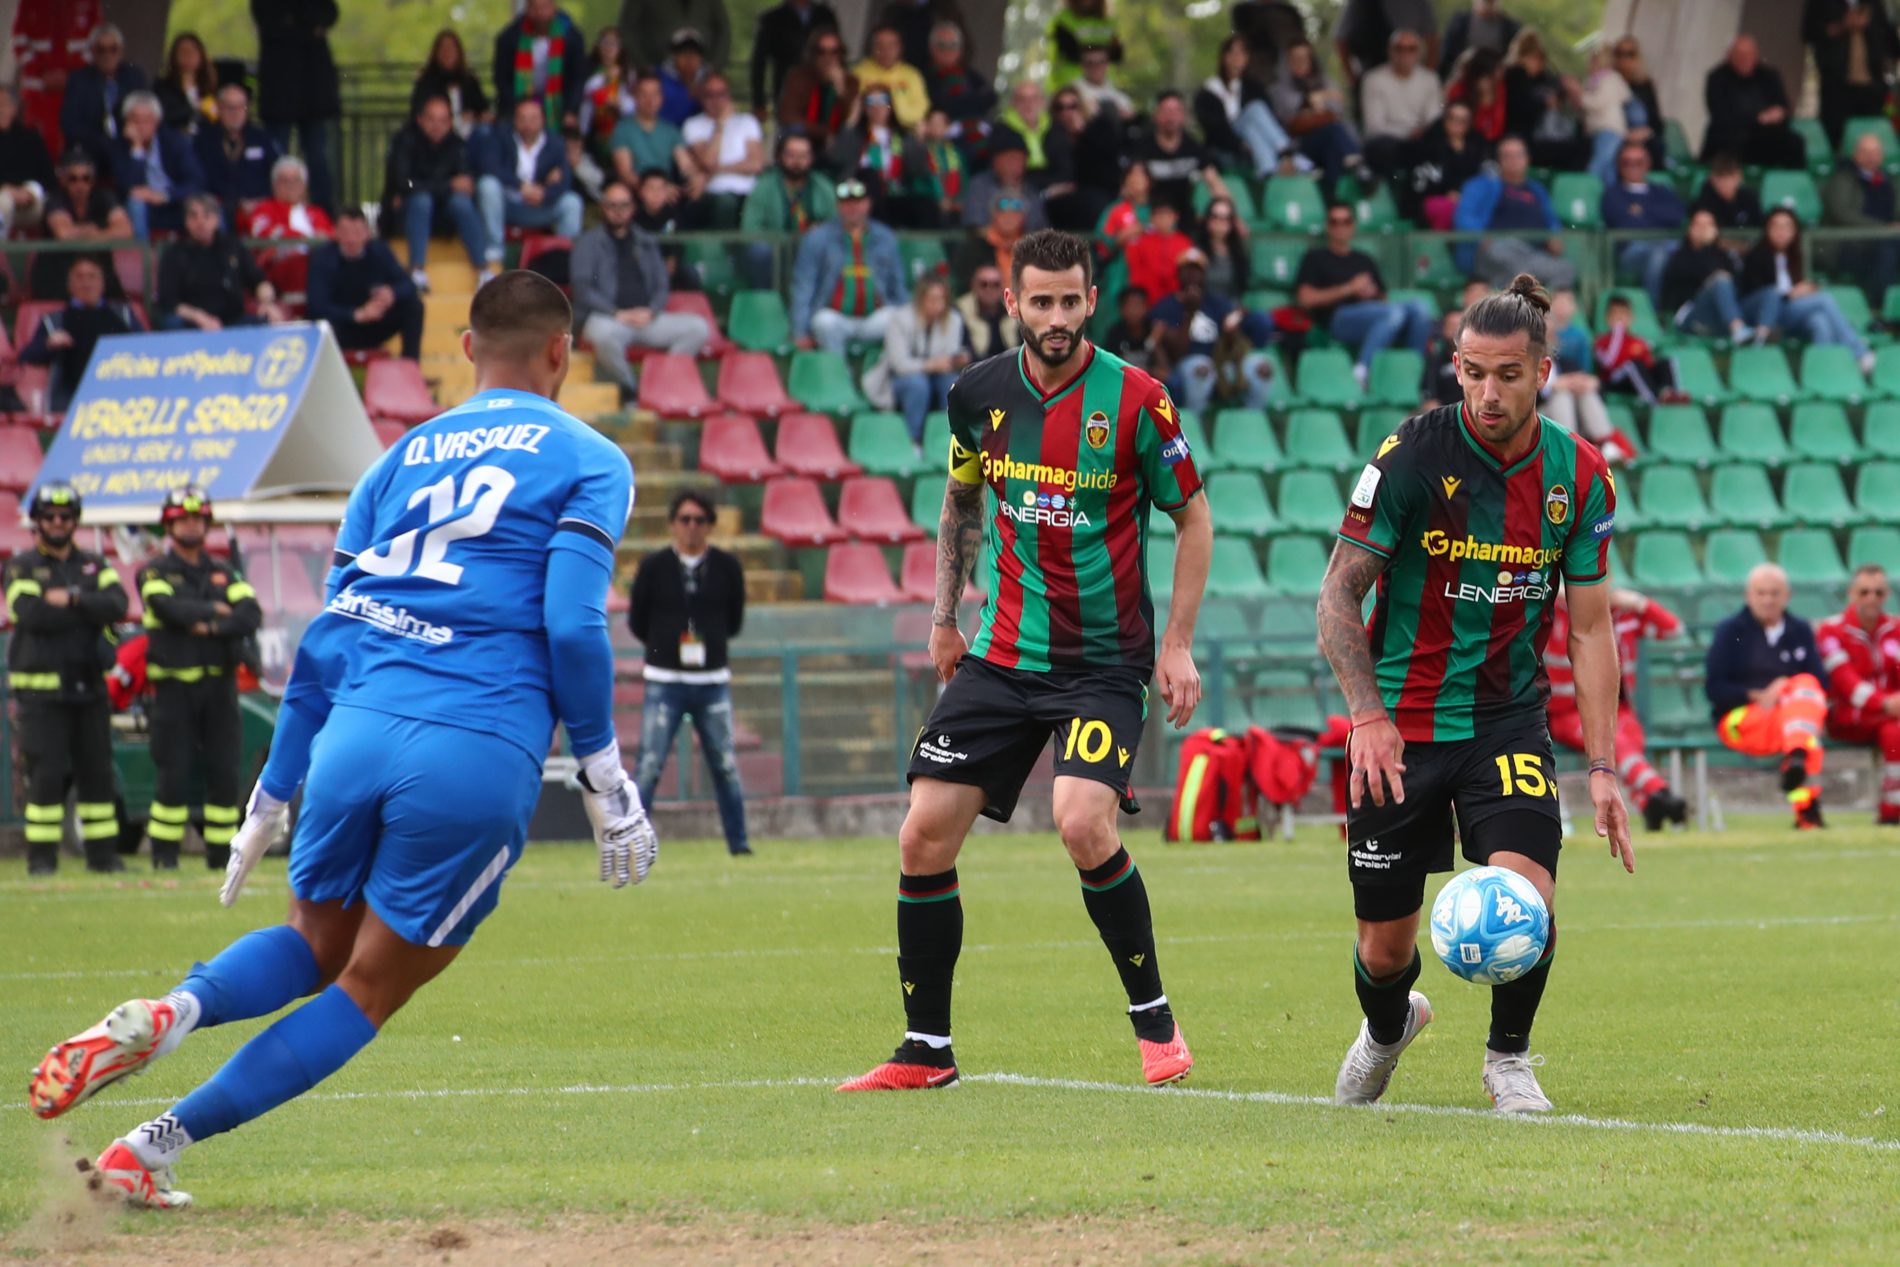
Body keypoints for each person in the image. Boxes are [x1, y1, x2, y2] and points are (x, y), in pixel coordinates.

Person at [27, 271, 654, 1209]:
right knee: (368, 986)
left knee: (310, 939)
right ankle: (150, 1146)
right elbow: (572, 623)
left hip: (353, 734)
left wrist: (271, 795)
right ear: (562, 351)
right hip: (474, 744)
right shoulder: (590, 456)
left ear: (467, 349)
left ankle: (171, 1010)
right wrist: (604, 775)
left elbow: (327, 641)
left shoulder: (392, 463)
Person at [837, 228, 1210, 1094]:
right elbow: (962, 500)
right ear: (1011, 302)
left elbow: (1193, 518)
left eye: (1070, 300)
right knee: (922, 833)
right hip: (1003, 656)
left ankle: (1155, 1021)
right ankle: (926, 1047)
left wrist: (1177, 643)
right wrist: (943, 618)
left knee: (1081, 821)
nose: (1056, 316)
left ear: (1092, 300)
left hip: (1104, 663)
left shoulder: (1139, 401)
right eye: (1040, 301)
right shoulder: (977, 394)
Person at [1319, 274, 1632, 1115]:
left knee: (1528, 896)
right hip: (1401, 725)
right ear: (1455, 366)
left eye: (1508, 375)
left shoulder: (1580, 476)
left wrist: (1603, 765)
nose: (1488, 393)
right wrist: (1367, 716)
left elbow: (1591, 629)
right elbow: (1337, 593)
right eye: (1473, 372)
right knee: (1384, 950)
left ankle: (1509, 1058)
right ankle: (1388, 1028)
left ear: (1543, 372)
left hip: (1506, 722)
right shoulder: (1411, 457)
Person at [130, 488, 262, 872]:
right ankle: (164, 857)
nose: (191, 525)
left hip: (220, 689)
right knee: (173, 773)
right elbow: (167, 608)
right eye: (183, 519)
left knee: (225, 773)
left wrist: (206, 625)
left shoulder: (224, 570)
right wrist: (215, 611)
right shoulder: (154, 571)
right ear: (169, 525)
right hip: (174, 689)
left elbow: (250, 614)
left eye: (198, 518)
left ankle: (222, 860)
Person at [4, 483, 129, 876]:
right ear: (37, 521)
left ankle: (103, 857)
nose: (58, 522)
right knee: (46, 775)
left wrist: (71, 598)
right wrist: (89, 610)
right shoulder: (21, 566)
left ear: (75, 520)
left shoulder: (94, 563)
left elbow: (118, 604)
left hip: (89, 688)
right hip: (42, 695)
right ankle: (41, 859)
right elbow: (29, 612)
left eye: (65, 516)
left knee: (98, 775)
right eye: (50, 516)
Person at [627, 489, 750, 857]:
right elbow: (637, 619)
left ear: (710, 525)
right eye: (685, 519)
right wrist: (662, 646)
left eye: (700, 520)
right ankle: (633, 842)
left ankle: (739, 844)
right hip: (665, 681)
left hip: (711, 681)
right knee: (649, 765)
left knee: (725, 766)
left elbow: (734, 620)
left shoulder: (727, 567)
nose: (692, 527)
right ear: (673, 524)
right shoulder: (653, 566)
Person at [1545, 589, 1689, 830]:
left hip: (1614, 707)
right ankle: (1659, 791)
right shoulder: (1557, 612)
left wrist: (1641, 603)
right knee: (1615, 740)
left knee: (1631, 738)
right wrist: (1561, 594)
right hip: (1568, 712)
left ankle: (1649, 803)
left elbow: (1674, 629)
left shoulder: (1622, 615)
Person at [1705, 563, 1830, 829]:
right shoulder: (1730, 630)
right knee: (1806, 733)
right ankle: (1807, 807)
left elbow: (1820, 681)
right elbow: (1714, 689)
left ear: (1787, 596)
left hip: (1787, 720)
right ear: (1748, 596)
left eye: (1775, 593)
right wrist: (1757, 695)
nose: (1768, 600)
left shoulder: (1800, 630)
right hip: (1741, 719)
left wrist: (1785, 687)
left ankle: (1805, 808)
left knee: (1804, 695)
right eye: (1761, 593)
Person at [571, 180, 711, 396]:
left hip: (647, 318)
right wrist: (616, 313)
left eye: (624, 205)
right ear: (603, 208)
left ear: (633, 208)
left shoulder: (646, 241)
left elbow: (662, 284)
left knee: (698, 328)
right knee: (600, 334)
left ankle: (658, 386)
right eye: (612, 205)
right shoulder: (587, 242)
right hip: (610, 318)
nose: (618, 211)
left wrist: (652, 310)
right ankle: (631, 389)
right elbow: (582, 288)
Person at [1296, 201, 1434, 387]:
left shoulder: (1364, 259)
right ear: (1327, 226)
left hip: (1372, 313)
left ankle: (1414, 370)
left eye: (1346, 221)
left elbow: (1383, 299)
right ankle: (1362, 371)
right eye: (1334, 222)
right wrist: (1349, 288)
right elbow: (1305, 299)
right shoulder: (1315, 258)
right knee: (1393, 313)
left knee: (1420, 308)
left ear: (1353, 225)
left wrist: (1370, 294)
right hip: (1336, 318)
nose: (1340, 227)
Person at [1740, 208, 1875, 372]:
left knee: (1819, 321)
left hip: (1790, 314)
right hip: (1768, 318)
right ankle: (1860, 353)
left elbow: (1795, 290)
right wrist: (1790, 294)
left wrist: (1805, 290)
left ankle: (1824, 371)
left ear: (1794, 231)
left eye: (1787, 227)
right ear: (1767, 229)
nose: (1782, 231)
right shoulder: (1756, 255)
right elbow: (1761, 295)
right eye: (1776, 226)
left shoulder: (1793, 255)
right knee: (1824, 299)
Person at [1817, 564, 1900, 826]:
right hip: (1847, 716)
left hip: (1890, 717)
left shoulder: (1896, 629)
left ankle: (1892, 807)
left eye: (1878, 592)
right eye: (1864, 592)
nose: (1871, 598)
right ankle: (1892, 808)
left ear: (1887, 595)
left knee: (1894, 730)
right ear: (1852, 594)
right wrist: (1884, 703)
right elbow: (1846, 683)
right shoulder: (1831, 631)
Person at [789, 179, 908, 354]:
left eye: (857, 202)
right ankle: (838, 371)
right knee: (823, 322)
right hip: (835, 317)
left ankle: (885, 372)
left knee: (898, 319)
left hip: (874, 318)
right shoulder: (817, 238)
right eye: (846, 203)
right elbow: (804, 287)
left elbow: (898, 285)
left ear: (868, 203)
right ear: (838, 206)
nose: (852, 208)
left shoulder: (885, 237)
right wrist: (800, 331)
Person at [383, 94, 487, 291]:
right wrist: (447, 185)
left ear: (450, 122)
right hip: (409, 215)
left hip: (444, 217)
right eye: (431, 119)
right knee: (421, 200)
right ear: (420, 119)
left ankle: (483, 270)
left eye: (443, 120)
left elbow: (465, 182)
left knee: (461, 202)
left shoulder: (457, 145)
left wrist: (446, 187)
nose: (437, 125)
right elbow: (405, 183)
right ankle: (416, 270)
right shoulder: (405, 142)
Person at [1153, 249, 1274, 411]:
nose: (1192, 275)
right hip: (1186, 363)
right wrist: (1189, 313)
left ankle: (1251, 419)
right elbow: (1176, 352)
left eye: (1197, 270)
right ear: (1179, 273)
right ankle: (1193, 420)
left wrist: (1232, 330)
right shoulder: (1167, 305)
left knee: (1262, 367)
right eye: (1187, 270)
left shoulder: (1216, 302)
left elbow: (1231, 342)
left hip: (1220, 361)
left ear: (1204, 274)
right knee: (1201, 368)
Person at [17, 257, 144, 411]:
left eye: (92, 276)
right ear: (70, 284)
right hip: (71, 399)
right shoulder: (54, 320)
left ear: (102, 282)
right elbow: (27, 355)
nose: (86, 283)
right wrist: (49, 344)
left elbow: (146, 348)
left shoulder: (124, 315)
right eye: (79, 277)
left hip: (121, 394)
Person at [478, 98, 585, 277]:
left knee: (572, 202)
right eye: (523, 118)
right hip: (508, 205)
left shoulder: (555, 143)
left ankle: (566, 260)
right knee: (487, 185)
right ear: (515, 120)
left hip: (539, 206)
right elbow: (489, 167)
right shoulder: (500, 137)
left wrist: (544, 193)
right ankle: (495, 251)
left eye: (533, 118)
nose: (528, 124)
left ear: (543, 120)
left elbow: (565, 182)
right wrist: (521, 186)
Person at [251, 0, 340, 214]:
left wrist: (294, 25)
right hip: (279, 94)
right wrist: (306, 28)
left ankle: (323, 213)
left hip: (314, 96)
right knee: (276, 157)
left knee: (317, 158)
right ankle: (274, 210)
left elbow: (329, 13)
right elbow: (270, 22)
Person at [1454, 135, 1575, 289]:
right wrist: (1484, 239)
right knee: (1509, 261)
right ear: (1499, 160)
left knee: (1566, 269)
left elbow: (1552, 222)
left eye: (1518, 155)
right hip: (1498, 249)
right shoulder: (1482, 185)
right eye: (1507, 156)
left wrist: (1554, 238)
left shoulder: (1537, 190)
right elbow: (1464, 218)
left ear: (1527, 159)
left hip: (1533, 253)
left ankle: (1539, 299)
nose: (1513, 160)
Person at [307, 208, 425, 360]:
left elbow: (408, 284)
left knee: (414, 306)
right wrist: (356, 314)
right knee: (324, 324)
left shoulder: (380, 251)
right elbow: (317, 306)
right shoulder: (322, 258)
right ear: (335, 233)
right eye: (345, 232)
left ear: (367, 233)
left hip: (375, 323)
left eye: (357, 232)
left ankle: (410, 364)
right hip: (342, 328)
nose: (351, 239)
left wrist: (391, 293)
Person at [157, 195, 286, 332]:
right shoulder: (174, 254)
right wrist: (200, 318)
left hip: (234, 320)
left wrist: (268, 304)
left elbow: (259, 281)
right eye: (193, 216)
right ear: (186, 221)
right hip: (193, 323)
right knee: (173, 322)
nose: (200, 222)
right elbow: (169, 301)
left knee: (268, 319)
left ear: (217, 219)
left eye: (207, 216)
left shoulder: (233, 247)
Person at [869, 276, 967, 448]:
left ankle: (949, 440)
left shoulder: (953, 319)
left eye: (942, 299)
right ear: (921, 298)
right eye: (933, 299)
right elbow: (900, 365)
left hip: (937, 376)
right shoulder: (900, 318)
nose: (939, 305)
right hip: (897, 379)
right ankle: (914, 441)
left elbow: (948, 357)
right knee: (917, 384)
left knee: (952, 384)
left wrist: (957, 360)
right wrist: (930, 365)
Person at [739, 131, 838, 289]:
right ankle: (766, 299)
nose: (797, 161)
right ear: (779, 156)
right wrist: (780, 241)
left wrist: (819, 230)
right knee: (759, 251)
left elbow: (837, 225)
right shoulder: (764, 185)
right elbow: (749, 229)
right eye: (791, 155)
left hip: (813, 251)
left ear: (812, 158)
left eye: (803, 156)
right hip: (776, 253)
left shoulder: (823, 186)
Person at [1196, 33, 1299, 178]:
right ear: (1224, 57)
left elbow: (1269, 118)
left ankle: (1268, 171)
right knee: (1255, 109)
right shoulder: (1210, 90)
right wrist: (1239, 144)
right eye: (1233, 53)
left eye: (1242, 53)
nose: (1237, 58)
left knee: (1252, 128)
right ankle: (1285, 149)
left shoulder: (1254, 88)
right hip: (1227, 141)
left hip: (1250, 137)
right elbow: (1214, 128)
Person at [110, 91, 206, 240]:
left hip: (174, 201)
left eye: (146, 120)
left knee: (207, 206)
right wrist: (137, 149)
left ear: (157, 122)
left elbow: (196, 181)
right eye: (135, 120)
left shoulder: (175, 141)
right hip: (144, 207)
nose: (140, 126)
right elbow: (129, 187)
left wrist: (164, 196)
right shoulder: (118, 147)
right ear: (126, 121)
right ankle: (143, 253)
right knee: (136, 204)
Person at [1601, 141, 1685, 308]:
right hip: (1631, 251)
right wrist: (1659, 217)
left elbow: (1677, 215)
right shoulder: (1612, 194)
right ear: (1619, 165)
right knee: (1658, 254)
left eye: (1638, 162)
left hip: (1668, 244)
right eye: (1627, 162)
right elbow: (1625, 224)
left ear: (1648, 164)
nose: (1633, 167)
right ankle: (1653, 311)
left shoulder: (1662, 191)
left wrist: (1643, 210)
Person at [1268, 40, 1363, 189]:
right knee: (1333, 131)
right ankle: (1357, 164)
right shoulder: (1278, 89)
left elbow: (1336, 110)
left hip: (1328, 141)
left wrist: (1314, 111)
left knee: (1332, 148)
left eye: (1305, 58)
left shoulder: (1324, 81)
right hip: (1299, 146)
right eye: (1295, 58)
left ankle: (1331, 193)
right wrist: (1316, 102)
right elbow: (1292, 122)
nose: (1301, 62)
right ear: (1287, 62)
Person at [1805, 0, 1898, 151]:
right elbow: (1808, 32)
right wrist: (1843, 25)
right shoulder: (1822, 3)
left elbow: (1888, 38)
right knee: (1836, 136)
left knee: (1876, 133)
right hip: (1836, 85)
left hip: (1872, 84)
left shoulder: (1873, 4)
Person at [1822, 131, 1900, 309]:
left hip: (1884, 240)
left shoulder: (1888, 181)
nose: (1872, 157)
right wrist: (1883, 228)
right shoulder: (1842, 179)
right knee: (1888, 249)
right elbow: (1842, 213)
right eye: (1866, 152)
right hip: (1847, 244)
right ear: (1856, 154)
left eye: (1875, 152)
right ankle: (1879, 307)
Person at [1701, 35, 1804, 170]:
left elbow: (1783, 106)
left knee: (1794, 142)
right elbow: (1721, 114)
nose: (1745, 59)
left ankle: (1792, 181)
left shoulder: (1769, 76)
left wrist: (1778, 113)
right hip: (1731, 135)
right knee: (1731, 141)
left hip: (1767, 134)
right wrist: (1758, 118)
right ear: (1729, 56)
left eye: (1749, 54)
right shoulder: (1717, 78)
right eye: (1740, 55)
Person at [678, 72, 763, 228]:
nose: (716, 100)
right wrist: (720, 125)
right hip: (714, 194)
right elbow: (708, 162)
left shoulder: (747, 121)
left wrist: (718, 169)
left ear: (729, 95)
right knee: (725, 204)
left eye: (721, 94)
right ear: (701, 97)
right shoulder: (693, 125)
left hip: (748, 193)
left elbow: (756, 164)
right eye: (710, 95)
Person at [60, 23, 149, 168]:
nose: (107, 55)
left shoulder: (134, 77)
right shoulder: (79, 79)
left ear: (121, 51)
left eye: (113, 49)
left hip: (126, 145)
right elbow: (70, 124)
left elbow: (145, 113)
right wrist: (105, 144)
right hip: (90, 149)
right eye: (101, 50)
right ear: (92, 52)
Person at [1134, 91, 1231, 221]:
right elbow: (1134, 187)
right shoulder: (1143, 147)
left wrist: (1233, 217)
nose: (1171, 117)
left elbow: (1215, 182)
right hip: (1151, 217)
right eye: (1166, 111)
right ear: (1156, 115)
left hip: (1184, 216)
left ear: (1184, 116)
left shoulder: (1193, 147)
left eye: (1176, 111)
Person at [492, 0, 589, 131]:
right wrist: (515, 107)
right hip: (518, 103)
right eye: (534, 8)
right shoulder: (511, 37)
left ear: (554, 8)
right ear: (527, 9)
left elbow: (578, 78)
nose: (540, 13)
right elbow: (501, 78)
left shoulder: (571, 37)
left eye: (544, 7)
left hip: (558, 104)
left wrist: (571, 110)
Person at [247, 157, 335, 299]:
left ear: (304, 185)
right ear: (274, 185)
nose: (290, 185)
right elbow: (265, 233)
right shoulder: (264, 209)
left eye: (296, 180)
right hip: (279, 272)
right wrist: (309, 240)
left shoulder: (317, 213)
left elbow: (330, 238)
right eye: (284, 181)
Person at [1502, 27, 1586, 172]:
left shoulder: (1542, 80)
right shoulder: (1516, 77)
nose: (1540, 64)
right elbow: (1521, 108)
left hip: (1539, 134)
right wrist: (1544, 103)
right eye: (1537, 58)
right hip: (1523, 135)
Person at [1359, 28, 1441, 178]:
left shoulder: (1430, 79)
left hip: (1420, 141)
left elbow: (1433, 118)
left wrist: (1423, 133)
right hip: (1389, 142)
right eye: (1399, 48)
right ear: (1390, 51)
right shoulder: (1373, 79)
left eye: (1411, 48)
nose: (1405, 53)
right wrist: (1410, 132)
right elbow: (1375, 126)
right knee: (1380, 148)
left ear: (1419, 53)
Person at [1661, 208, 1748, 343]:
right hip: (1689, 317)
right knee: (1719, 280)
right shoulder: (1679, 256)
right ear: (1690, 229)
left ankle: (1758, 334)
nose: (1703, 229)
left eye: (1708, 225)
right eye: (1698, 225)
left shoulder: (1723, 256)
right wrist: (1707, 246)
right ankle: (1738, 329)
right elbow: (1701, 274)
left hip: (1718, 318)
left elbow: (1735, 285)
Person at [195, 84, 280, 223]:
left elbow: (277, 174)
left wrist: (261, 202)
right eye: (230, 107)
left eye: (241, 107)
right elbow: (197, 179)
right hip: (215, 209)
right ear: (219, 108)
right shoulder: (203, 140)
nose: (235, 113)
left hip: (258, 207)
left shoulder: (262, 138)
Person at [751, 0, 841, 115]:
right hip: (786, 91)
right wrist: (759, 101)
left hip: (823, 89)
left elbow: (838, 52)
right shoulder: (772, 19)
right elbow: (759, 63)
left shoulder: (825, 15)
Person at [778, 28, 858, 155]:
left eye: (834, 52)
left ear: (841, 54)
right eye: (821, 51)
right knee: (794, 130)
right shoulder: (798, 76)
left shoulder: (851, 81)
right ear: (813, 54)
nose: (828, 58)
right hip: (806, 136)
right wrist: (824, 132)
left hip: (835, 141)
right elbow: (787, 115)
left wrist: (840, 89)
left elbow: (850, 120)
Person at [1409, 98, 1487, 228]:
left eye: (1463, 120)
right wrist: (1447, 193)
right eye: (1453, 118)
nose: (1457, 124)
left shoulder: (1478, 147)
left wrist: (1464, 195)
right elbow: (1419, 184)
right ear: (1445, 120)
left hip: (1468, 200)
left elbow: (1483, 179)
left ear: (1469, 124)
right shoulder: (1428, 146)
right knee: (1446, 208)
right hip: (1436, 201)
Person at [1593, 294, 1681, 405]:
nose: (1620, 318)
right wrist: (1617, 334)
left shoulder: (1638, 342)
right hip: (1614, 382)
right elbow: (1608, 363)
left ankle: (1670, 394)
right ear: (1608, 318)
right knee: (1633, 365)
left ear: (1631, 318)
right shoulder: (1601, 342)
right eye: (1615, 315)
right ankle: (1652, 401)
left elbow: (1649, 365)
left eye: (1623, 314)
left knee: (1666, 362)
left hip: (1636, 382)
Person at [1334, 0, 1439, 90]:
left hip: (1411, 81)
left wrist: (1426, 78)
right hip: (1370, 74)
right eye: (1398, 49)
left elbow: (1432, 40)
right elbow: (1341, 40)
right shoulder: (1361, 3)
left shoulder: (1419, 3)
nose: (1402, 53)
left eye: (1410, 49)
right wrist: (1353, 80)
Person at [960, 129, 1048, 231]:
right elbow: (974, 226)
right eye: (1010, 159)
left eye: (1020, 159)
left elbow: (1041, 229)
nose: (1016, 166)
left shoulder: (1031, 190)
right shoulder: (979, 186)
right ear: (995, 161)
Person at [609, 73, 686, 186]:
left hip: (666, 190)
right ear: (635, 97)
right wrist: (655, 189)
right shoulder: (622, 129)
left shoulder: (670, 130)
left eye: (655, 94)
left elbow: (686, 166)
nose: (650, 100)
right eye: (644, 94)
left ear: (662, 98)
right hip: (636, 190)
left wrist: (697, 178)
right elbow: (625, 173)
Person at [0, 85, 56, 238]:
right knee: (4, 201)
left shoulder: (31, 138)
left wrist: (30, 192)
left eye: (4, 104)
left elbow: (49, 179)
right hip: (2, 200)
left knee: (53, 206)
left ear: (14, 108)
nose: (1, 110)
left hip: (30, 200)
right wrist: (6, 189)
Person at [413, 29, 490, 134]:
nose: (447, 53)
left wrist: (474, 116)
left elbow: (482, 109)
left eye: (451, 48)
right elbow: (418, 112)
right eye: (443, 48)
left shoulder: (469, 80)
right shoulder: (426, 81)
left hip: (469, 130)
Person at [854, 23, 931, 129]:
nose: (885, 50)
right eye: (879, 45)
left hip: (903, 131)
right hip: (866, 131)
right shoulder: (858, 73)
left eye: (891, 45)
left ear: (900, 48)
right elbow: (854, 109)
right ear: (871, 47)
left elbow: (921, 109)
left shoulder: (912, 75)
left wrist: (895, 114)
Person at [624, 0, 732, 74]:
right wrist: (643, 65)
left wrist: (716, 64)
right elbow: (628, 28)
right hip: (658, 70)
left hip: (702, 71)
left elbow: (723, 29)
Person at [921, 20, 995, 128]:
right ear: (932, 49)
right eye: (942, 46)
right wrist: (969, 104)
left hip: (974, 130)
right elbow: (937, 106)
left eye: (953, 45)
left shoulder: (970, 75)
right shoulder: (923, 77)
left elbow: (990, 97)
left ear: (960, 50)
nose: (947, 51)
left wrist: (958, 106)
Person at [1610, 36, 1667, 173]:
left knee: (1657, 146)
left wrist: (1645, 132)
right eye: (1619, 53)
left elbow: (1657, 122)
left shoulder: (1645, 85)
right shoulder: (1606, 83)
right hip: (1616, 135)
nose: (1624, 59)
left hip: (1641, 137)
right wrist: (1624, 134)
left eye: (1630, 54)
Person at [1125, 200, 1196, 304]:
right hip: (1147, 300)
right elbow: (1135, 273)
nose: (1163, 219)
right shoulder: (1140, 243)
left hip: (1176, 300)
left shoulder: (1185, 243)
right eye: (1159, 215)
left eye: (1167, 215)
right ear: (1152, 218)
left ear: (1175, 217)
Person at [1579, 44, 1630, 184]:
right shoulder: (1593, 81)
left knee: (1597, 164)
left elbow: (1597, 103)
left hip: (1609, 129)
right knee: (1608, 168)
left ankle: (1587, 187)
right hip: (1600, 130)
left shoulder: (1609, 79)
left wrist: (1580, 96)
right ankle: (1610, 192)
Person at [1046, 0, 1122, 93]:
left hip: (1104, 86)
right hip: (1070, 86)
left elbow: (1117, 54)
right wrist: (1101, 51)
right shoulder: (1063, 20)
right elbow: (1070, 53)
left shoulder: (1109, 21)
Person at [580, 27, 634, 154]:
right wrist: (605, 79)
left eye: (614, 44)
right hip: (592, 129)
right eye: (605, 43)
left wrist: (620, 103)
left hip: (620, 128)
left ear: (620, 49)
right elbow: (586, 96)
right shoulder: (589, 71)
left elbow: (634, 104)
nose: (609, 49)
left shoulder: (629, 74)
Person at [154, 32, 218, 134]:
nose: (188, 55)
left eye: (193, 51)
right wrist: (197, 108)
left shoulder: (210, 87)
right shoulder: (163, 86)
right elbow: (163, 115)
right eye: (183, 51)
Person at [1438, 0, 1521, 77]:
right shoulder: (1460, 22)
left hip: (1496, 77)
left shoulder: (1510, 27)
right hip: (1463, 76)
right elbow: (1447, 53)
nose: (1488, 6)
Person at [1690, 153, 1765, 234]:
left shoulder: (1750, 198)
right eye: (1720, 179)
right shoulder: (1703, 202)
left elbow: (1759, 227)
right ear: (1712, 179)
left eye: (1729, 177)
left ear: (1739, 177)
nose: (1725, 183)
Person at [1443, 46, 1506, 143]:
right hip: (1464, 141)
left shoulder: (1500, 88)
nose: (1502, 72)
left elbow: (1498, 124)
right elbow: (1455, 119)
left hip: (1494, 142)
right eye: (1499, 68)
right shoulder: (1459, 89)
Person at [957, 263, 1019, 360]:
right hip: (978, 366)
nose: (989, 289)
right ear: (973, 286)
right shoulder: (961, 310)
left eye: (995, 284)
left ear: (1002, 287)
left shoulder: (1014, 308)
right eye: (983, 284)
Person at [657, 29, 713, 128]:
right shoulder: (657, 78)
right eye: (683, 52)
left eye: (694, 53)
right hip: (665, 133)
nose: (689, 58)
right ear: (673, 56)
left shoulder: (710, 80)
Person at [1101, 284, 1159, 372]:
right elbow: (1112, 367)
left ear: (1147, 307)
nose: (1134, 310)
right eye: (1130, 305)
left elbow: (1165, 371)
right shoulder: (1115, 333)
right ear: (1121, 309)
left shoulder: (1154, 328)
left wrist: (1154, 341)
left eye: (1138, 305)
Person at [998, 80, 1051, 176]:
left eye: (1034, 98)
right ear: (1013, 103)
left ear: (1042, 102)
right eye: (1022, 99)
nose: (1029, 104)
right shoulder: (1002, 130)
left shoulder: (1053, 126)